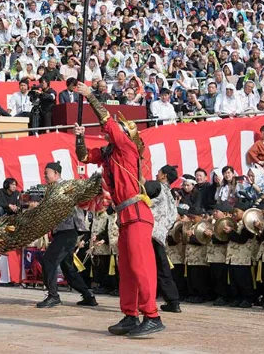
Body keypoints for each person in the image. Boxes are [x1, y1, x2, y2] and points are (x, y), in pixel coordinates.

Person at [74, 82, 164, 337]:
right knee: (126, 268)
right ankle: (130, 315)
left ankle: (152, 315)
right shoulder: (110, 155)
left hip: (136, 212)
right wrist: (79, 135)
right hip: (125, 215)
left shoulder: (128, 147)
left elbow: (108, 123)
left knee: (140, 266)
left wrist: (90, 96)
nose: (106, 136)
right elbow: (82, 156)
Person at [36, 162, 98, 309]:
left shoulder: (63, 187)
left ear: (56, 173)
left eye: (47, 173)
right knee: (67, 267)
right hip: (64, 231)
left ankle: (53, 296)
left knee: (48, 261)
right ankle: (88, 296)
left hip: (68, 230)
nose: (45, 176)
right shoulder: (53, 189)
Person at [147, 165, 181, 314]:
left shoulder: (157, 187)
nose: (156, 174)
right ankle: (173, 301)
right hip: (160, 235)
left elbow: (141, 189)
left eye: (159, 172)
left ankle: (143, 300)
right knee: (162, 268)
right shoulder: (171, 196)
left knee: (145, 267)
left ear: (164, 176)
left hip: (148, 233)